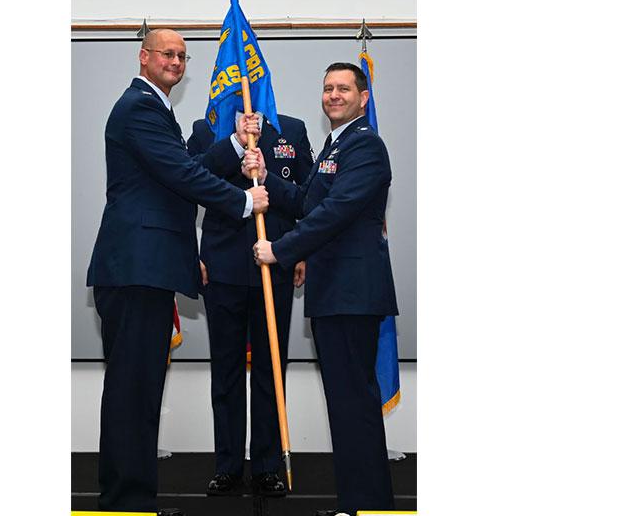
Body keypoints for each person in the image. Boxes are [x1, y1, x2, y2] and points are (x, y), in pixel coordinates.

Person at [86, 29, 268, 514]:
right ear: (144, 57)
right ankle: (126, 504)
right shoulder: (139, 107)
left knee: (141, 392)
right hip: (136, 268)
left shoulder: (155, 108)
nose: (177, 62)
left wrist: (232, 142)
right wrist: (243, 201)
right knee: (132, 392)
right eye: (168, 53)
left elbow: (182, 168)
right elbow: (181, 175)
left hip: (149, 267)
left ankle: (134, 501)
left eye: (184, 56)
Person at [246, 62, 399, 516]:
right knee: (345, 405)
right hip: (333, 294)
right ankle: (356, 504)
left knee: (355, 405)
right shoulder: (334, 145)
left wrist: (281, 250)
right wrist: (265, 173)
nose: (333, 95)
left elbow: (336, 211)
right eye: (328, 88)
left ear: (363, 97)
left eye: (344, 89)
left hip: (354, 292)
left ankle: (368, 507)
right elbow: (305, 202)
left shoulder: (366, 146)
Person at [187, 112, 313, 497]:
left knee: (270, 370)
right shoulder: (208, 127)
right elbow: (186, 184)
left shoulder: (290, 129)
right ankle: (227, 466)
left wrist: (301, 250)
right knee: (225, 370)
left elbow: (307, 199)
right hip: (221, 268)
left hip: (274, 267)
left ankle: (267, 466)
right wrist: (192, 253)